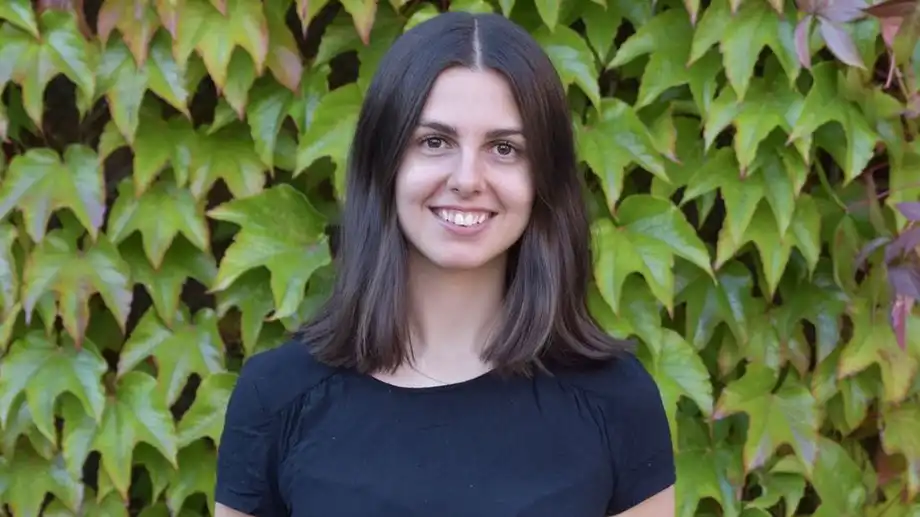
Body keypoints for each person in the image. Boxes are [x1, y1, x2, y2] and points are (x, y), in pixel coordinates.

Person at [213, 10, 675, 517]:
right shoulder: (277, 397)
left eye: (504, 148)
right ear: (383, 163)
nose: (467, 178)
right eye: (435, 142)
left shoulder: (617, 401)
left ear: (545, 178)